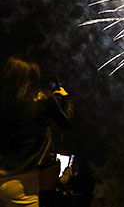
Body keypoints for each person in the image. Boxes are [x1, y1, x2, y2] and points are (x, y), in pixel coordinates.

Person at [0, 55, 73, 207]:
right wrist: (66, 100)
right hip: (23, 179)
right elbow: (66, 124)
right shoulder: (43, 98)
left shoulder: (5, 99)